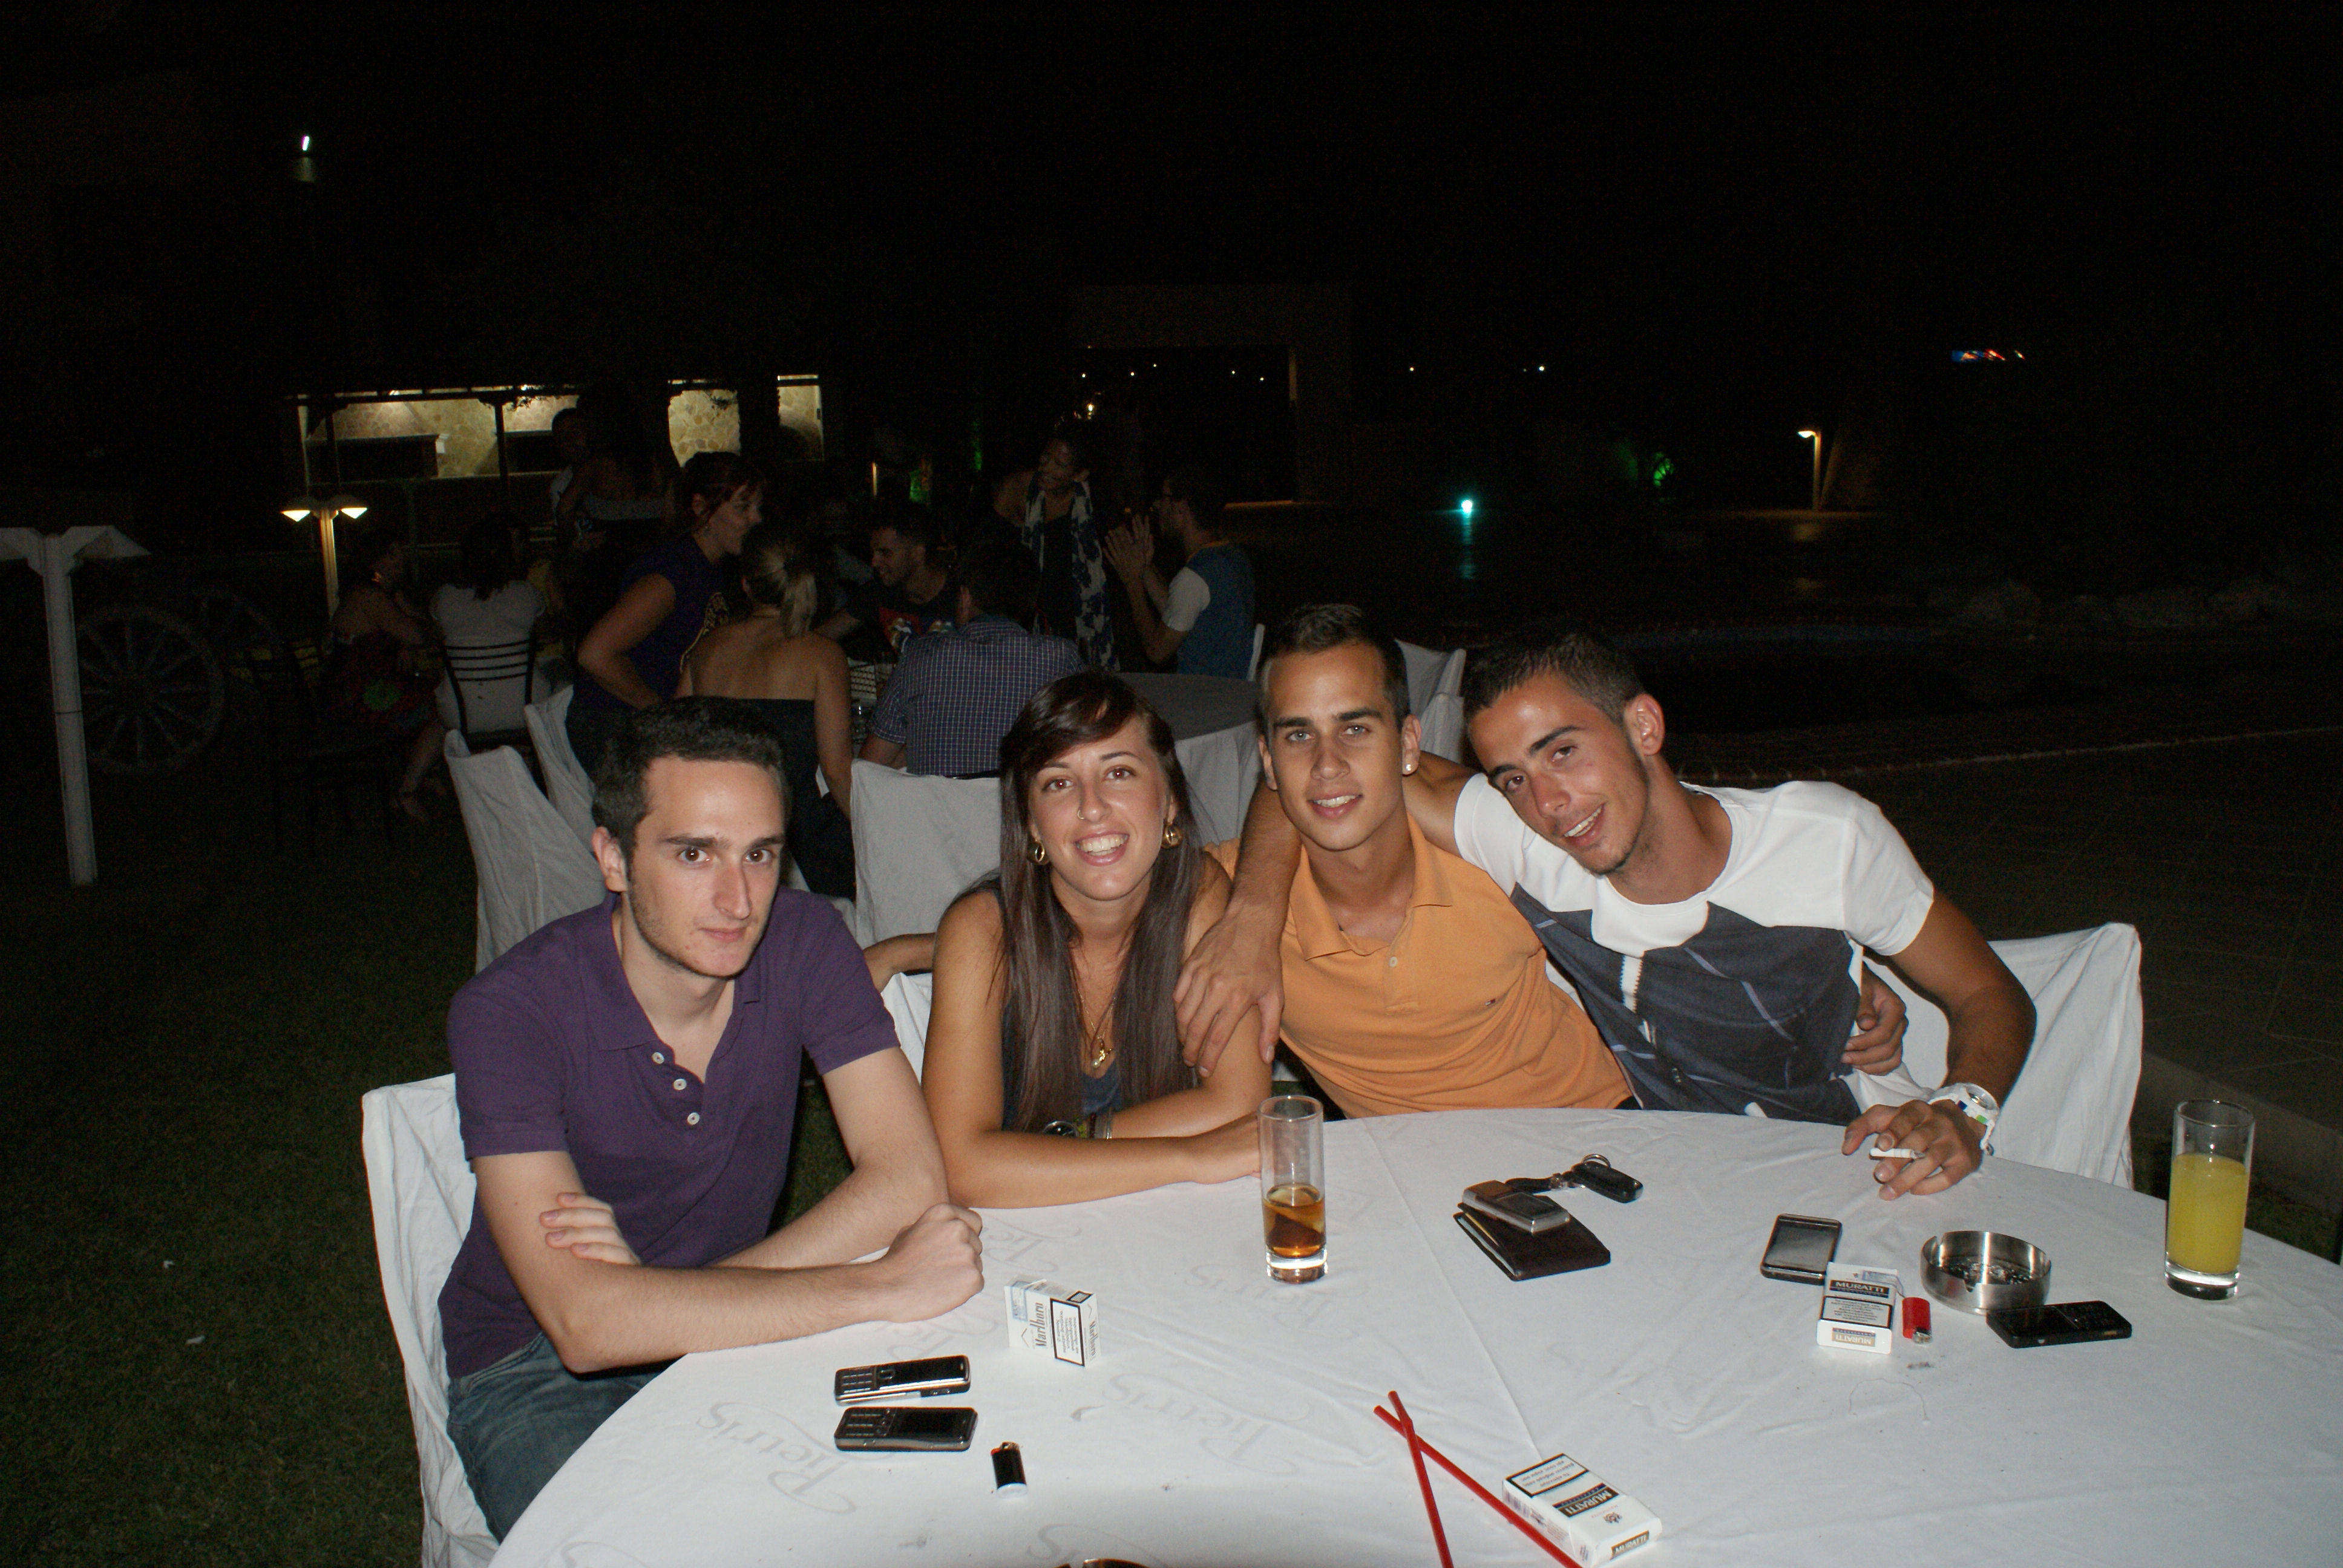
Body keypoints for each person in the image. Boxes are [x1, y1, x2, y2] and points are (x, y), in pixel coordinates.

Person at [1187, 621, 2009, 1200]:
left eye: (1564, 752)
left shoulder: (1825, 839)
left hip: (1864, 1160)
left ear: (1643, 724)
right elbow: (1325, 779)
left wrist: (1961, 1109)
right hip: (1686, 1174)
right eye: (1512, 778)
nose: (1550, 802)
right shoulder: (1534, 849)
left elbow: (1989, 993)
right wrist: (1254, 913)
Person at [439, 701, 983, 1540]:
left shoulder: (804, 942)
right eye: (693, 853)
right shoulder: (512, 1011)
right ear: (613, 858)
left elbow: (909, 1178)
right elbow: (585, 1327)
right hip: (535, 1370)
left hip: (741, 1326)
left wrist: (671, 1303)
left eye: (759, 854)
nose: (738, 899)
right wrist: (877, 1283)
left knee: (908, 1523)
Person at [1199, 606, 1633, 1117]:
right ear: (1269, 761)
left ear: (1408, 744)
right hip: (1405, 1163)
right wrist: (1251, 912)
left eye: (1355, 729)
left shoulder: (1493, 854)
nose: (1326, 764)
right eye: (1299, 736)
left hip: (1596, 1130)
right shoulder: (1223, 900)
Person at [913, 672, 1267, 1205]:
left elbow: (1239, 1102)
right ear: (1032, 825)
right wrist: (1189, 1156)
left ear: (1170, 801)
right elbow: (959, 1166)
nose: (1092, 806)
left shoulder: (1198, 894)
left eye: (1118, 772)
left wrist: (1073, 1142)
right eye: (1058, 783)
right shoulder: (981, 929)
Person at [678, 524, 856, 898]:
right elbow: (837, 771)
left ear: (746, 585)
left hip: (718, 821)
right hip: (794, 837)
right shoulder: (822, 655)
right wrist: (875, 836)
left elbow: (678, 740)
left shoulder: (708, 649)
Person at [568, 451, 761, 774]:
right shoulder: (673, 573)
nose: (755, 519)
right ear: (701, 508)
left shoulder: (717, 569)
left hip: (653, 725)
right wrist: (663, 713)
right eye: (743, 507)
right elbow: (594, 654)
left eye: (757, 507)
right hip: (615, 725)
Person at [860, 535, 1083, 778]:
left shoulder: (921, 656)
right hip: (1023, 801)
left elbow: (870, 768)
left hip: (938, 803)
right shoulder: (1061, 658)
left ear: (965, 598)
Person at [324, 526, 445, 821]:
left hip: (363, 692)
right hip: (360, 701)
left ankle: (422, 772)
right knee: (445, 707)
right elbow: (421, 635)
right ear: (374, 561)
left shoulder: (376, 594)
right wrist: (411, 623)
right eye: (392, 555)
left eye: (401, 553)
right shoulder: (370, 597)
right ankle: (407, 790)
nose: (401, 559)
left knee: (435, 692)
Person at [1104, 463, 1256, 678]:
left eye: (1164, 498)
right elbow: (1181, 613)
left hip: (1204, 693)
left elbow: (1156, 652)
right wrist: (1144, 568)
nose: (1157, 505)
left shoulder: (1195, 576)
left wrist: (1132, 584)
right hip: (1232, 688)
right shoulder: (1232, 557)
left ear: (1181, 507)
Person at [995, 428, 1115, 668]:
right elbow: (992, 546)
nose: (1047, 468)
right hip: (1029, 614)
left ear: (1079, 474)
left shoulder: (1095, 505)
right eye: (1046, 457)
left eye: (1059, 464)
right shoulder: (1021, 488)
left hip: (1077, 619)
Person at [432, 514, 548, 740]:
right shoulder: (526, 593)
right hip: (525, 709)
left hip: (462, 714)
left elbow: (436, 640)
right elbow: (544, 635)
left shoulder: (445, 598)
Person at [816, 500, 955, 657]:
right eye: (874, 553)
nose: (874, 562)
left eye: (886, 553)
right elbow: (819, 638)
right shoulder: (878, 593)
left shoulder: (961, 597)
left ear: (917, 554)